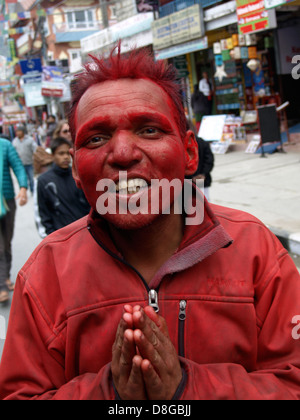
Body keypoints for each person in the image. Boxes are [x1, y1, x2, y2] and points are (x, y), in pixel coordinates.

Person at [0, 45, 300, 400]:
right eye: (96, 138)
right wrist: (109, 393)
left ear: (189, 153)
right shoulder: (45, 274)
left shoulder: (254, 250)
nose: (124, 154)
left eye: (149, 130)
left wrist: (188, 389)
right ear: (77, 170)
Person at [35, 137, 90, 238]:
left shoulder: (78, 175)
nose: (65, 157)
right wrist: (53, 236)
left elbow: (88, 204)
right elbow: (43, 213)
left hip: (85, 232)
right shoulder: (44, 181)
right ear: (52, 156)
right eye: (61, 154)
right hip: (61, 237)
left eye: (67, 153)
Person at [0, 137, 28, 303]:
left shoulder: (5, 145)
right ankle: (2, 285)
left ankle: (5, 276)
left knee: (7, 240)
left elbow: (18, 166)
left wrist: (23, 187)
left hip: (8, 201)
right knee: (0, 246)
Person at [186, 120, 214, 201]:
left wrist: (192, 176)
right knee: (204, 201)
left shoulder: (183, 144)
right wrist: (203, 174)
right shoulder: (202, 142)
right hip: (202, 178)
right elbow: (209, 160)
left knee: (191, 202)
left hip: (189, 180)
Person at [12, 125, 37, 194]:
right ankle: (23, 192)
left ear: (23, 132)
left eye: (19, 131)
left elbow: (35, 149)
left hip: (29, 163)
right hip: (20, 165)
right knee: (22, 179)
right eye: (17, 131)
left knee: (31, 179)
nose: (18, 133)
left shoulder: (30, 140)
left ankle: (33, 191)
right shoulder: (14, 141)